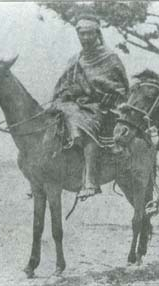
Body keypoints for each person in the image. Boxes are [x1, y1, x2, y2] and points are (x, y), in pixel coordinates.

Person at [52, 14, 129, 200]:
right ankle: (45, 172)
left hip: (100, 107)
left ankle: (90, 180)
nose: (85, 38)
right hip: (74, 104)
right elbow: (63, 85)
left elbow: (121, 89)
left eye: (89, 33)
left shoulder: (110, 58)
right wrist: (69, 92)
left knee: (84, 124)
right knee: (51, 118)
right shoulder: (75, 59)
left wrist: (107, 96)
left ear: (97, 34)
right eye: (81, 34)